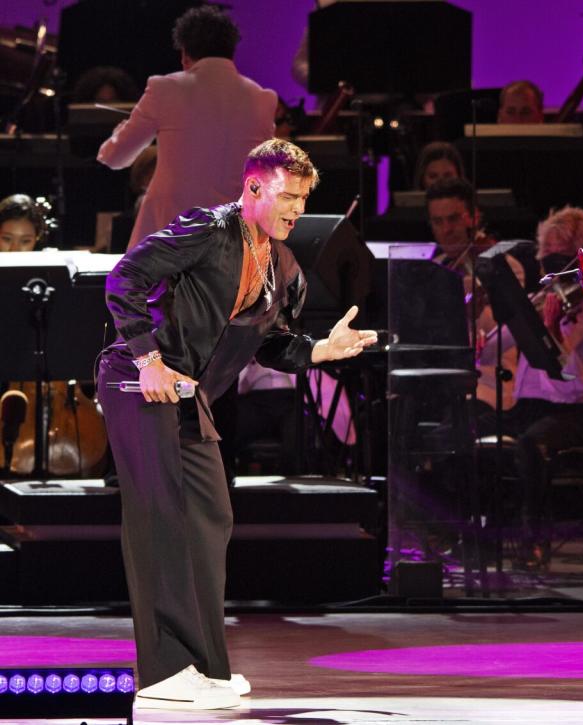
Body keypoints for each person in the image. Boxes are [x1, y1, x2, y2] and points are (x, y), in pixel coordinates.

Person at [96, 138, 377, 709]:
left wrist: (321, 350)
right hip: (137, 377)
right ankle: (165, 670)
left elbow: (272, 346)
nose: (296, 210)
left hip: (187, 393)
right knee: (161, 516)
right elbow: (124, 277)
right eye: (287, 196)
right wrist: (148, 356)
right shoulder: (207, 230)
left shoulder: (283, 266)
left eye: (302, 199)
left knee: (212, 515)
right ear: (253, 188)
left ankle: (204, 665)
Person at [477, 206, 583, 568]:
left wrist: (547, 325)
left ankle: (533, 538)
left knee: (532, 443)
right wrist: (486, 335)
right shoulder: (539, 297)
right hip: (529, 406)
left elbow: (562, 358)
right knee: (479, 433)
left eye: (562, 259)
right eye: (547, 259)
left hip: (573, 410)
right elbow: (494, 347)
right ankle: (483, 536)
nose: (553, 270)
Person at [97, 6, 276, 251]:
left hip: (171, 239)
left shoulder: (165, 88)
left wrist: (119, 134)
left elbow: (115, 157)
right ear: (231, 53)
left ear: (184, 54)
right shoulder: (262, 98)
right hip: (235, 244)